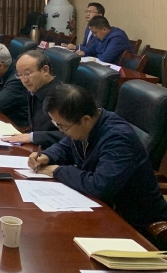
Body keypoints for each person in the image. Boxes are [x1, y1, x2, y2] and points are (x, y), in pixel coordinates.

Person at [29, 85, 167, 235]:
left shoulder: (118, 138)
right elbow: (67, 145)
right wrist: (47, 156)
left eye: (62, 126)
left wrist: (58, 171)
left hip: (135, 224)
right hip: (102, 210)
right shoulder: (87, 124)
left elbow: (100, 185)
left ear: (85, 120)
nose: (61, 131)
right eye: (57, 125)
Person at [1, 50, 64, 147]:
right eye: (20, 75)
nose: (24, 80)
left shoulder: (62, 98)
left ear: (45, 70)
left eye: (27, 74)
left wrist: (33, 137)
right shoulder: (34, 90)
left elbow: (70, 136)